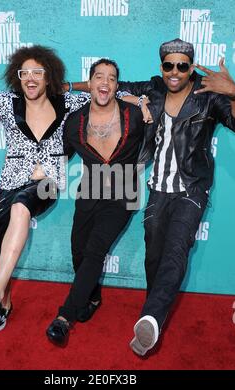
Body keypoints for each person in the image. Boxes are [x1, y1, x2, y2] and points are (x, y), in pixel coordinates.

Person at [69, 38, 235, 356]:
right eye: (168, 65)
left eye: (182, 65)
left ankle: (150, 317)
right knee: (154, 256)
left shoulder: (208, 95)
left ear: (191, 67)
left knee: (176, 250)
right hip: (158, 189)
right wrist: (68, 85)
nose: (175, 72)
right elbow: (110, 88)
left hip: (192, 187)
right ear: (161, 67)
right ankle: (153, 313)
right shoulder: (154, 89)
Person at [0, 44, 90, 331]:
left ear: (49, 77)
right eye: (25, 73)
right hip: (9, 182)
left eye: (38, 72)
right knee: (1, 251)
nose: (31, 78)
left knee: (22, 206)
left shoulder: (68, 103)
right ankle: (3, 302)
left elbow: (105, 94)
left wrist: (142, 101)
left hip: (46, 182)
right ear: (17, 76)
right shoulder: (7, 102)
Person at [46, 58, 147, 346]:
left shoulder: (135, 115)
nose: (105, 82)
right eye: (99, 77)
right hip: (89, 193)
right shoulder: (75, 121)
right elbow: (61, 155)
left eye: (111, 78)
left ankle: (65, 318)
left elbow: (157, 99)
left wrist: (142, 102)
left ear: (117, 85)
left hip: (122, 196)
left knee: (93, 251)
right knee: (78, 251)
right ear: (89, 84)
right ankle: (92, 294)